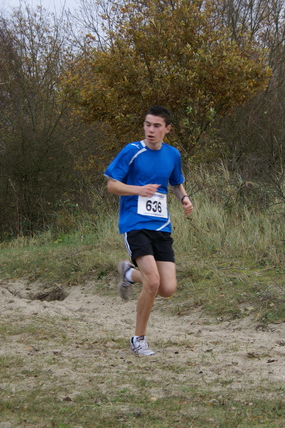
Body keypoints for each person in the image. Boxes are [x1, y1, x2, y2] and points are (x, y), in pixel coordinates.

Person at [104, 105, 194, 356]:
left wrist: (185, 199)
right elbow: (112, 185)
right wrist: (137, 190)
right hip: (134, 223)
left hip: (161, 225)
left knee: (167, 288)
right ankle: (138, 339)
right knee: (153, 282)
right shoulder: (132, 151)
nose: (150, 130)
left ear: (167, 129)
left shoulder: (172, 154)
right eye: (147, 124)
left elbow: (176, 183)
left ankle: (129, 275)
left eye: (156, 126)